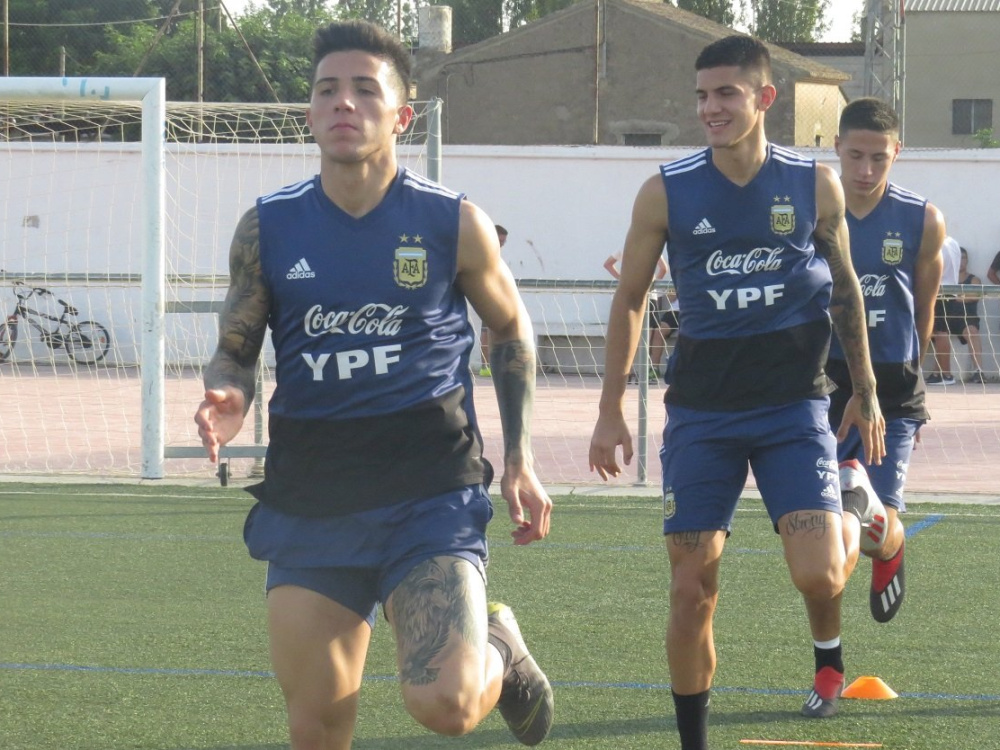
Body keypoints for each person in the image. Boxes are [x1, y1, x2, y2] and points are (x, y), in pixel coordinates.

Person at [194, 21, 553, 750]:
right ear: (309, 113)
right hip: (312, 490)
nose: (344, 104)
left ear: (402, 115)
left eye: (365, 89)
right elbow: (235, 345)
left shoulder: (451, 223)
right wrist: (227, 393)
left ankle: (499, 649)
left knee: (446, 705)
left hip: (427, 484)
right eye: (328, 90)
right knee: (317, 726)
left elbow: (511, 332)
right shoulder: (267, 228)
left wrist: (519, 458)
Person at [588, 35, 887, 749]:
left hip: (792, 410)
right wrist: (607, 409)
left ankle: (855, 505)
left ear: (764, 98)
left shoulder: (813, 184)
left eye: (726, 94)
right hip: (701, 417)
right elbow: (630, 297)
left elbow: (846, 291)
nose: (711, 108)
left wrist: (867, 390)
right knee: (691, 589)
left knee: (819, 578)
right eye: (702, 96)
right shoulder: (666, 189)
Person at [829, 97, 947, 624]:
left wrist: (909, 378)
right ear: (836, 147)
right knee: (824, 519)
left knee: (880, 514)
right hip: (824, 381)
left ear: (897, 152)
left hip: (893, 385)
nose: (866, 169)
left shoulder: (922, 220)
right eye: (855, 155)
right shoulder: (810, 212)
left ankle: (890, 547)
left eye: (879, 157)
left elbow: (925, 306)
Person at [604, 250, 670, 381]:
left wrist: (621, 278)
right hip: (648, 295)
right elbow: (663, 268)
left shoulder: (625, 248)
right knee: (646, 338)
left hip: (631, 294)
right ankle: (646, 373)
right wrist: (654, 282)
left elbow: (607, 264)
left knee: (631, 335)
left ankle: (628, 372)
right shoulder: (653, 247)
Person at [929, 243, 985, 384]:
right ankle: (938, 373)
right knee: (938, 332)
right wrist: (958, 295)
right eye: (958, 258)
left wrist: (955, 296)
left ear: (967, 260)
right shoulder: (944, 279)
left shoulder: (973, 279)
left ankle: (978, 371)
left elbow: (975, 295)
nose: (961, 261)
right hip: (946, 318)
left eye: (964, 258)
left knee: (972, 331)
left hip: (965, 320)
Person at [926, 236, 961, 385]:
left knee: (940, 333)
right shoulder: (953, 242)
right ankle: (937, 372)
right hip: (950, 290)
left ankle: (946, 374)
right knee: (938, 332)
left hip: (939, 290)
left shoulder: (936, 243)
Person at [478, 224, 508, 376]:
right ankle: (485, 366)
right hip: (486, 293)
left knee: (497, 328)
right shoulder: (484, 252)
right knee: (487, 330)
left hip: (496, 293)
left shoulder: (494, 254)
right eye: (500, 241)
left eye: (503, 243)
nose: (502, 245)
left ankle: (492, 365)